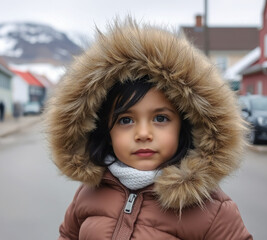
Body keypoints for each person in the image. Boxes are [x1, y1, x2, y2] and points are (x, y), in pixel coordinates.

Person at [45, 18, 252, 239]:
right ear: (104, 130)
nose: (143, 134)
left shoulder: (213, 210)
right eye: (125, 120)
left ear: (186, 126)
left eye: (160, 118)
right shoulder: (88, 193)